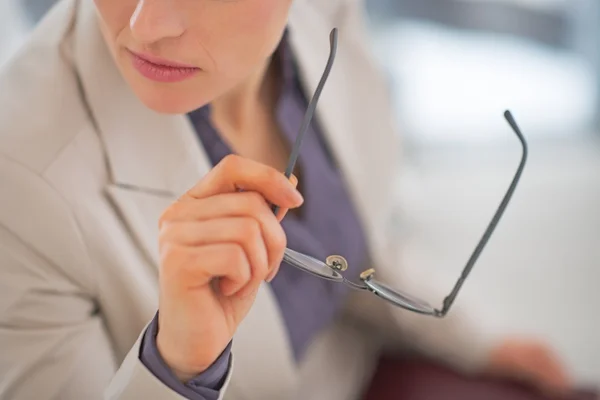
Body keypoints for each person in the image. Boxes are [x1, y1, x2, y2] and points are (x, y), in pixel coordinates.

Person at [0, 0, 570, 399]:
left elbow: (358, 233)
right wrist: (177, 367)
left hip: (364, 365)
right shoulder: (21, 177)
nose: (146, 26)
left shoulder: (328, 17)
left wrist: (471, 342)